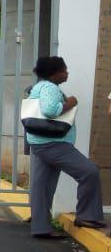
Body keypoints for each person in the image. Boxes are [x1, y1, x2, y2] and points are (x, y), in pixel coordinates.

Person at [26, 55, 105, 239]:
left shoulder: (39, 86)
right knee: (89, 171)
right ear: (54, 73)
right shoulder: (50, 88)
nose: (66, 73)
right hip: (54, 144)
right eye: (63, 70)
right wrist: (71, 102)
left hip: (40, 143)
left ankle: (41, 227)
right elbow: (50, 110)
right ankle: (87, 216)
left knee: (42, 186)